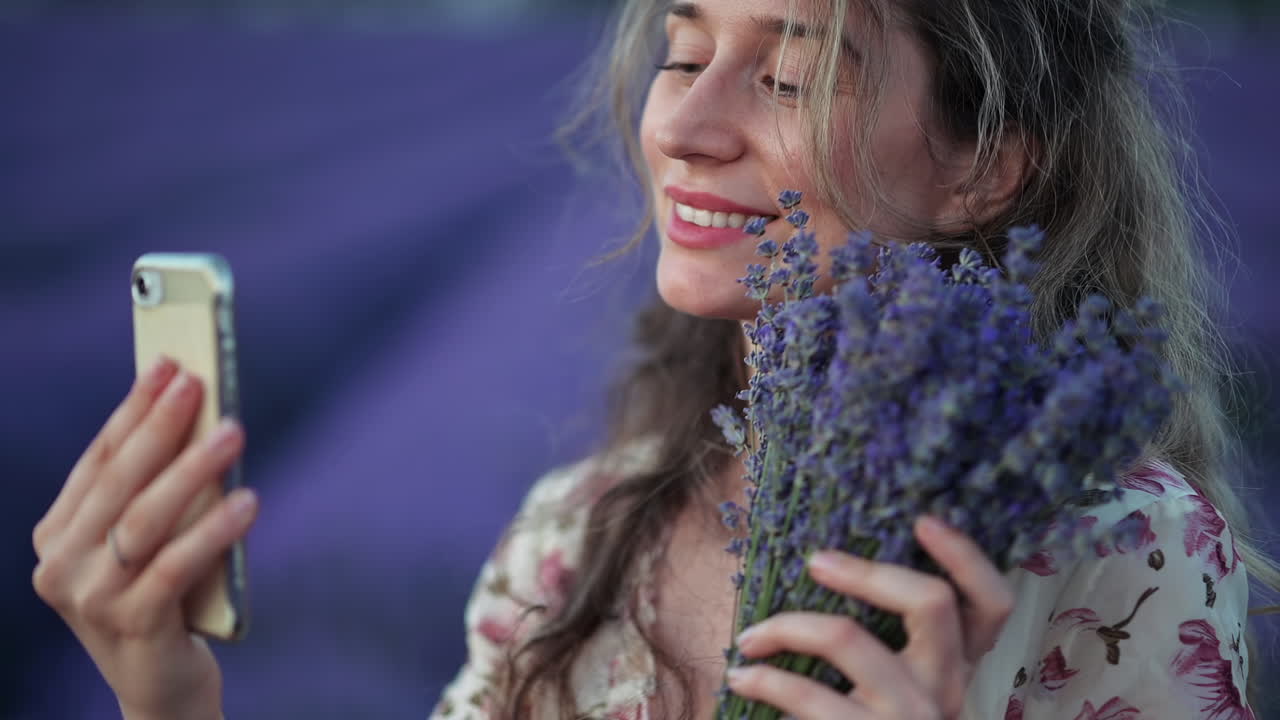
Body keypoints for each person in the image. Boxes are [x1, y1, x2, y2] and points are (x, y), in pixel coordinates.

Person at [31, 0, 1278, 718]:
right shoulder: (576, 531)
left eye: (787, 73)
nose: (682, 124)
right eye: (681, 56)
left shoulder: (1119, 552)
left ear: (984, 167)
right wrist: (167, 694)